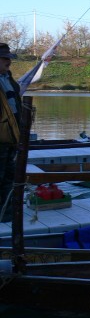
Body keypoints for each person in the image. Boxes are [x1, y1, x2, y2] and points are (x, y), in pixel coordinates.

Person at [0, 43, 21, 222]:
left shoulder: (8, 78)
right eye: (5, 58)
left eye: (9, 58)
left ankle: (6, 214)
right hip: (1, 137)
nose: (9, 62)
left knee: (9, 177)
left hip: (11, 137)